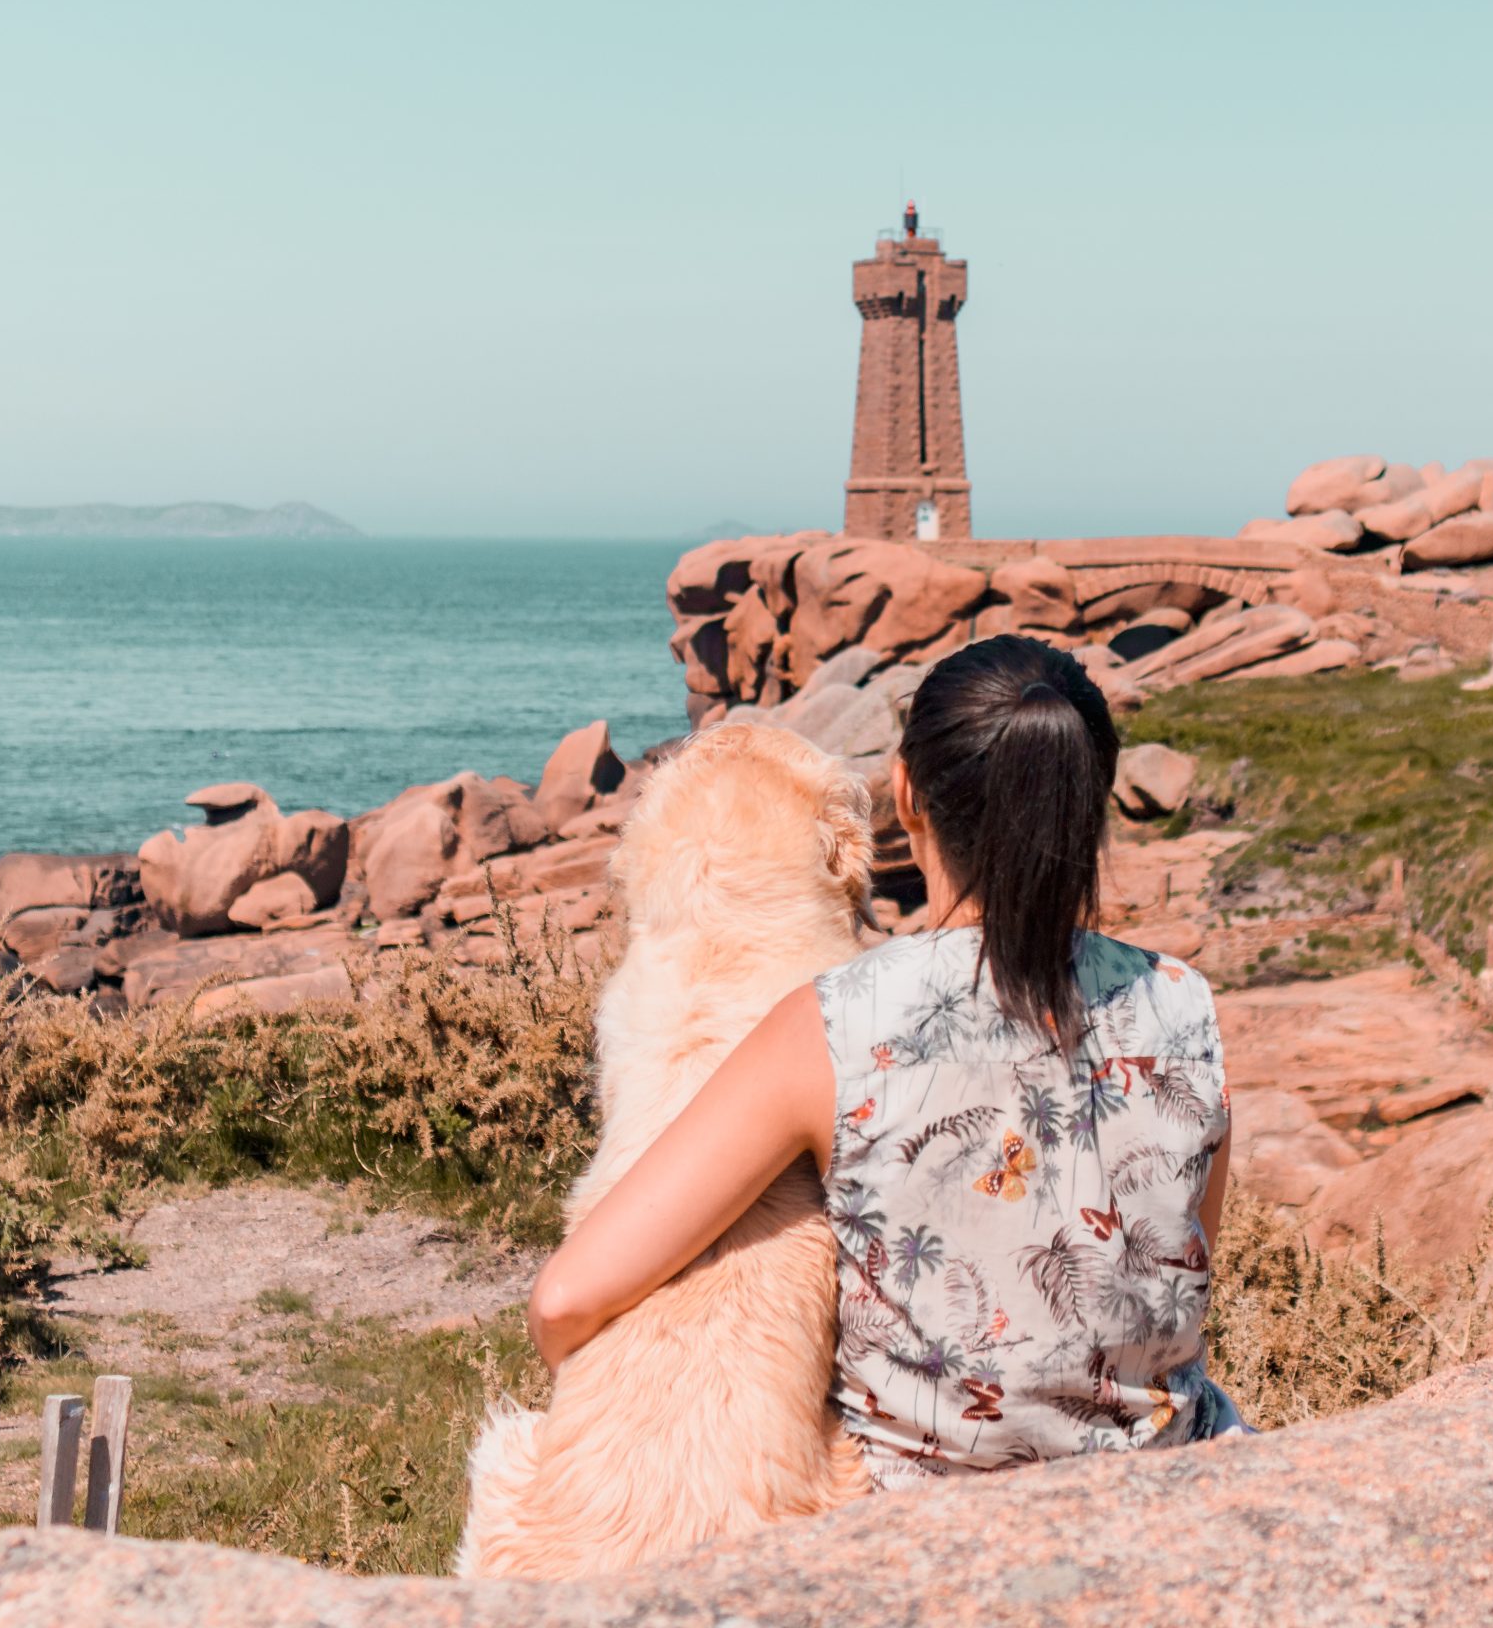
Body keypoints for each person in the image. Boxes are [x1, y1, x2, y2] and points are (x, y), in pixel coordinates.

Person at [525, 633, 1241, 1483]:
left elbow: (565, 1301)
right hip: (1177, 1485)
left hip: (923, 1526)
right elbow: (1176, 1277)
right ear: (1087, 805)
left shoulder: (839, 1022)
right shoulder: (1185, 1004)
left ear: (905, 795)